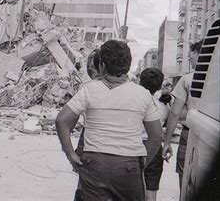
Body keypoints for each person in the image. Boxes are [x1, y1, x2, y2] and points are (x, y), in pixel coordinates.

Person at [56, 40, 162, 201]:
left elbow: (62, 120)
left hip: (94, 164)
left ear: (102, 66)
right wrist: (143, 163)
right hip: (128, 166)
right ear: (128, 65)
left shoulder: (89, 90)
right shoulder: (142, 94)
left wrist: (70, 153)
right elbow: (156, 136)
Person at [162, 39, 203, 191]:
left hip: (190, 136)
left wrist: (167, 143)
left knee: (187, 185)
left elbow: (174, 113)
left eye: (192, 54)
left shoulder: (187, 79)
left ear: (200, 54)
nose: (190, 58)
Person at [73, 49, 101, 201]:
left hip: (88, 134)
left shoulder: (86, 87)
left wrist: (71, 153)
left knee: (83, 181)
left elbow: (66, 118)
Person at [139, 68, 170, 201]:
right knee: (151, 188)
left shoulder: (137, 102)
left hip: (137, 145)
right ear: (159, 86)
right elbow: (159, 129)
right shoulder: (164, 106)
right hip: (156, 147)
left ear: (140, 82)